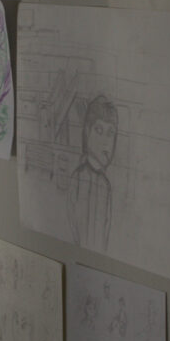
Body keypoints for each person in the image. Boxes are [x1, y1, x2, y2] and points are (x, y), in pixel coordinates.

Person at [71, 95, 117, 255]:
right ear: (87, 132)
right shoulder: (78, 177)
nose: (105, 141)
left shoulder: (105, 184)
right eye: (99, 130)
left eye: (110, 133)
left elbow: (105, 232)